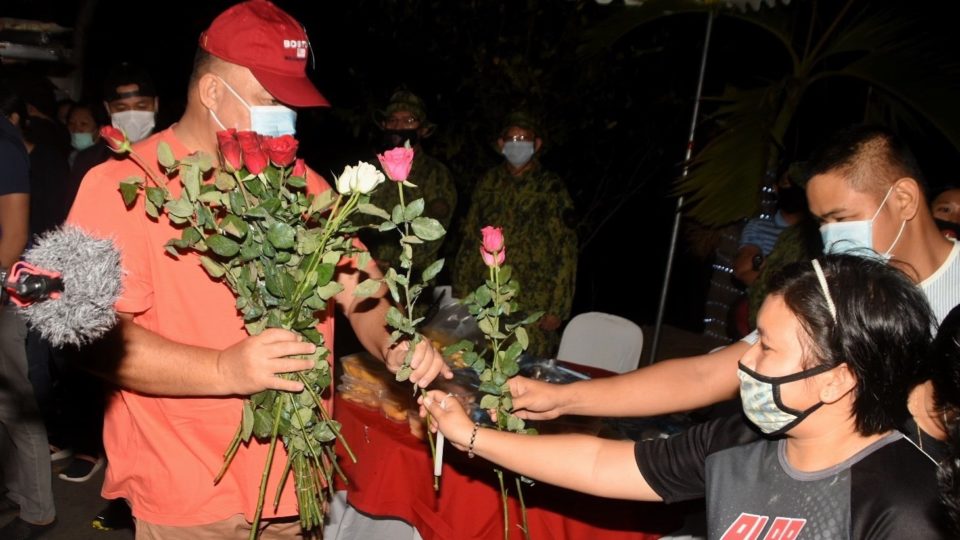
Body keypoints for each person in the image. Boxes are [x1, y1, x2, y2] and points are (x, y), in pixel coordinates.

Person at [65, 1, 450, 537]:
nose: (284, 118)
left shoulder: (303, 184)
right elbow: (90, 337)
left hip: (297, 481)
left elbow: (362, 286)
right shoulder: (118, 186)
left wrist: (395, 343)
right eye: (270, 100)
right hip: (192, 495)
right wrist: (224, 370)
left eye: (291, 103)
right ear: (212, 93)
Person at [422, 255, 949, 538]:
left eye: (765, 347)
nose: (743, 362)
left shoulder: (907, 506)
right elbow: (603, 463)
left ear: (837, 379)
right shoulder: (743, 441)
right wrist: (472, 435)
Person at [505, 125, 958, 448]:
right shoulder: (833, 291)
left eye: (841, 218)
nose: (830, 237)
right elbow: (708, 373)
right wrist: (568, 397)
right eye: (821, 222)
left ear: (903, 199)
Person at [452, 110, 578, 357]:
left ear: (537, 143)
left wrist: (558, 308)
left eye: (524, 139)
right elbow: (470, 238)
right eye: (512, 139)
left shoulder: (551, 188)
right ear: (501, 144)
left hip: (533, 300)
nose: (517, 145)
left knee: (528, 371)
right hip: (488, 294)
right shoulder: (488, 183)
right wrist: (461, 290)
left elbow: (566, 248)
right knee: (482, 365)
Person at [0, 82, 57, 540]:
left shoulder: (3, 145)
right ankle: (18, 491)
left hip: (6, 292)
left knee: (17, 400)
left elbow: (14, 237)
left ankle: (38, 509)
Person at [358, 90, 457, 276]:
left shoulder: (436, 174)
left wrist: (394, 265)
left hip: (411, 282)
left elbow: (434, 232)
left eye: (409, 121)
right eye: (393, 120)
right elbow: (351, 220)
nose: (399, 127)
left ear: (424, 129)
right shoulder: (368, 170)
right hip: (364, 276)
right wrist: (365, 260)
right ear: (384, 125)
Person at [102, 62, 159, 144]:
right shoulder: (93, 156)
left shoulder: (173, 152)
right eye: (121, 108)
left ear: (156, 104)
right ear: (107, 108)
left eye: (141, 106)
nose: (132, 116)